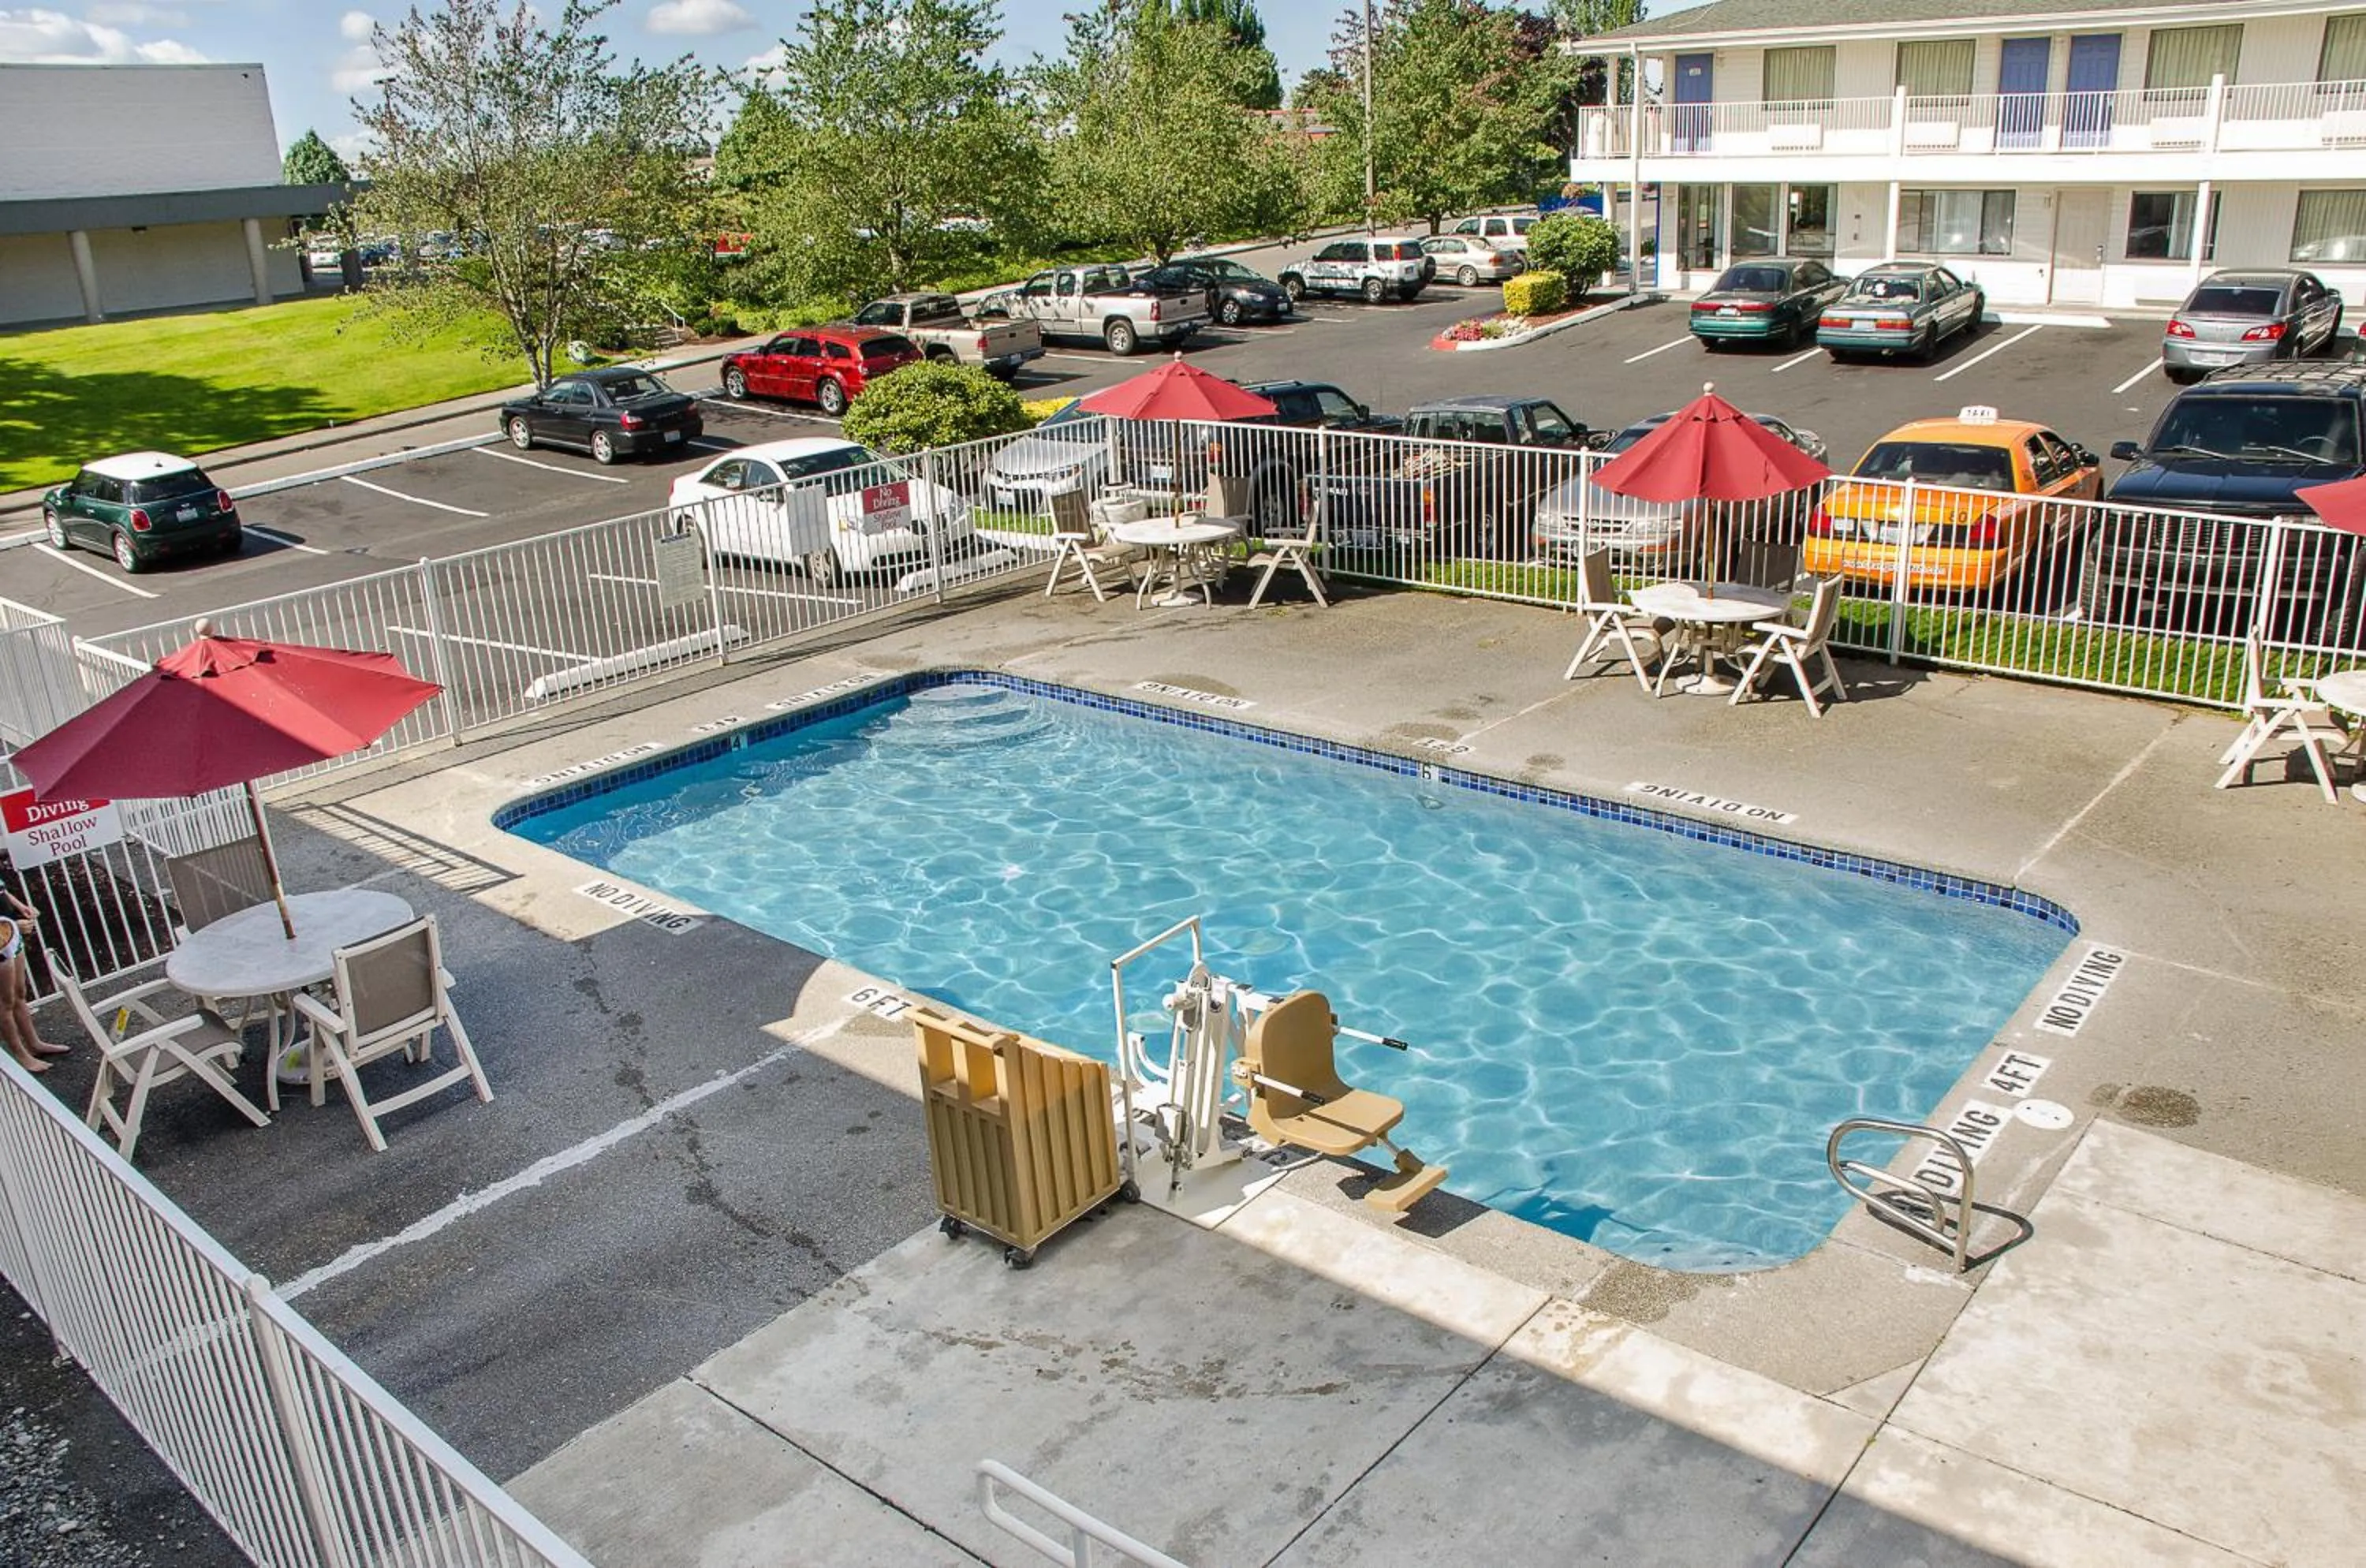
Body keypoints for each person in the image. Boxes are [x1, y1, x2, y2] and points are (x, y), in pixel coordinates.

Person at [0, 850, 67, 1074]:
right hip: (4, 936)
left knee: (20, 992)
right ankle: (21, 1055)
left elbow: (2, 889)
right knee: (5, 1002)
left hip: (10, 935)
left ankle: (34, 1043)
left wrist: (19, 906)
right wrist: (14, 926)